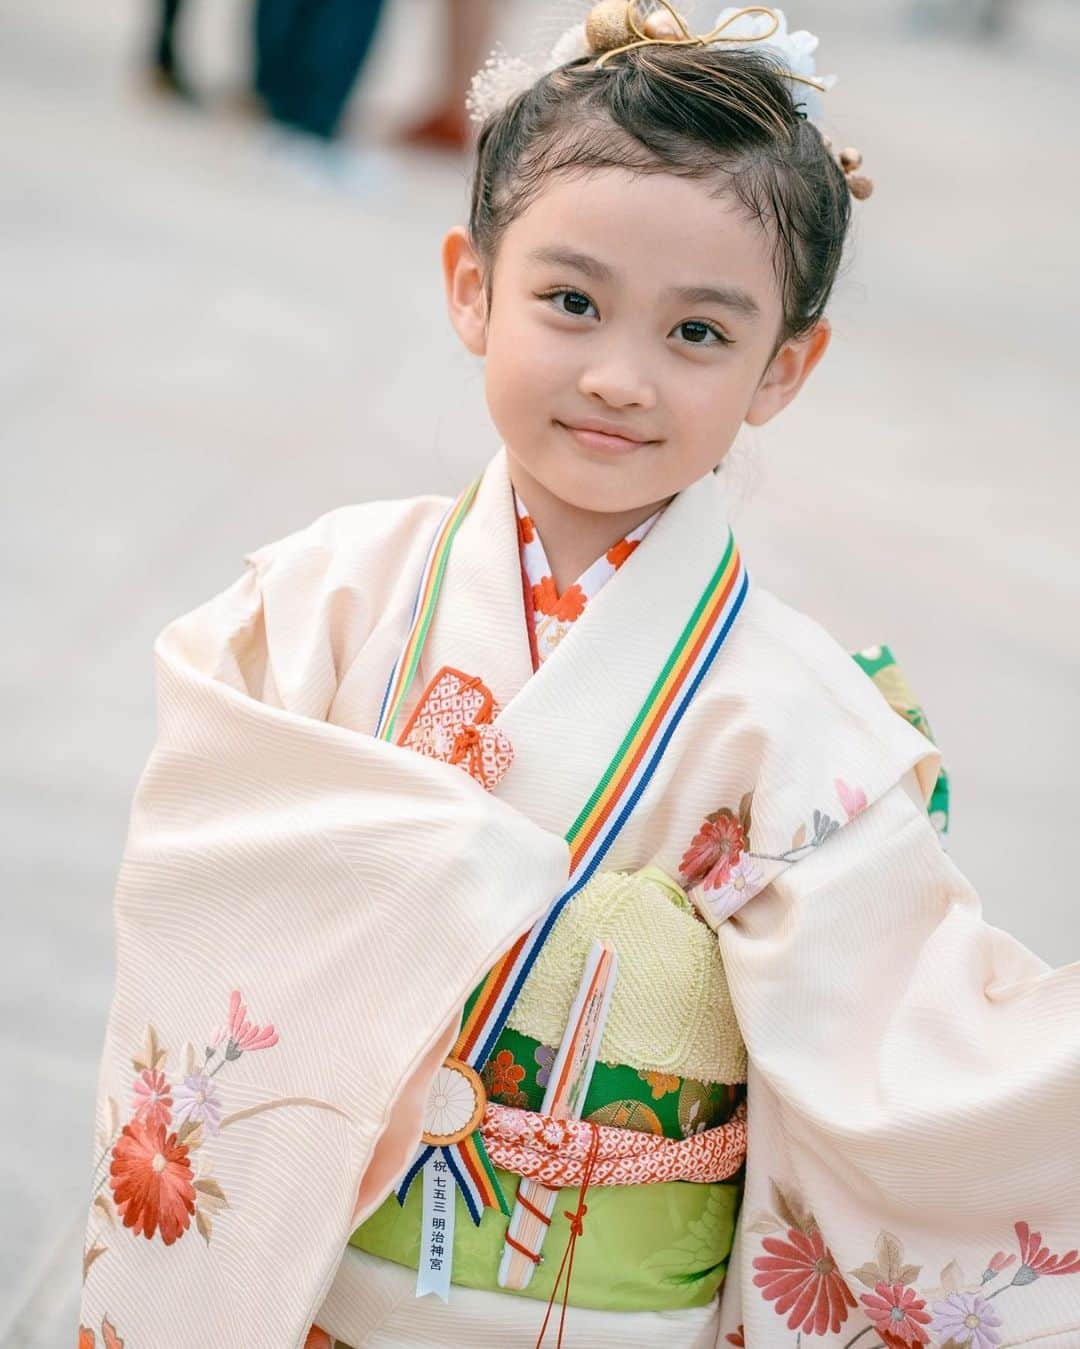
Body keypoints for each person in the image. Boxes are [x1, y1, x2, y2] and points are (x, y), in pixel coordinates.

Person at [78, 3, 1079, 1347]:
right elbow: (205, 863)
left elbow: (920, 1063)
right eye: (571, 302)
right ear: (470, 286)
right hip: (307, 1282)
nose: (619, 376)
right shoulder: (322, 600)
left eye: (700, 336)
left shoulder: (805, 724)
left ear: (786, 370)